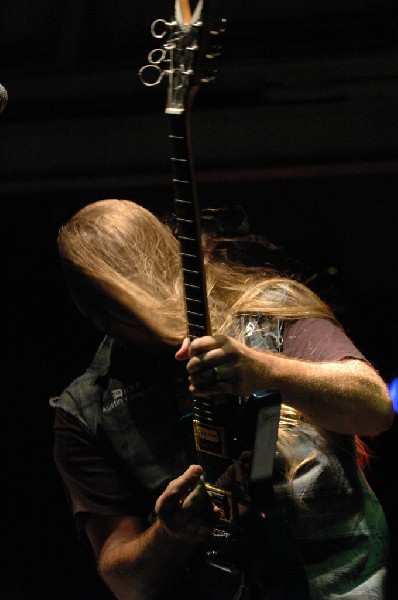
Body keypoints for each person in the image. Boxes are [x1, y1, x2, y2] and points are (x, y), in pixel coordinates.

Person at [50, 198, 393, 600]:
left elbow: (374, 408)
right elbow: (124, 581)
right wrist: (169, 533)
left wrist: (266, 370)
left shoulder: (269, 307)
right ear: (96, 310)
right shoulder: (86, 410)